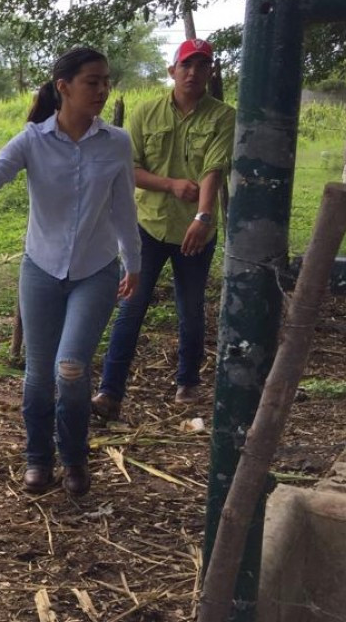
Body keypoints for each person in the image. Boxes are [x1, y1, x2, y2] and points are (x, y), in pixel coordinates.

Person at [0, 47, 141, 496]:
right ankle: (38, 460)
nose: (101, 90)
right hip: (40, 270)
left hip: (95, 271)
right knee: (39, 375)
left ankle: (75, 458)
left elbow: (123, 208)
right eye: (91, 82)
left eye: (106, 81)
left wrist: (133, 262)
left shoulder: (116, 141)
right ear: (63, 87)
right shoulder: (31, 140)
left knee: (71, 369)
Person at [92, 39, 236, 422]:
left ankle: (188, 382)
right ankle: (110, 390)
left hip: (196, 231)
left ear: (210, 72)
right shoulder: (146, 113)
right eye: (186, 65)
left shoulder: (223, 116)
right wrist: (171, 184)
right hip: (148, 226)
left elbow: (214, 168)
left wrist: (202, 217)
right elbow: (131, 171)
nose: (193, 73)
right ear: (172, 71)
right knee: (131, 304)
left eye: (202, 66)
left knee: (190, 307)